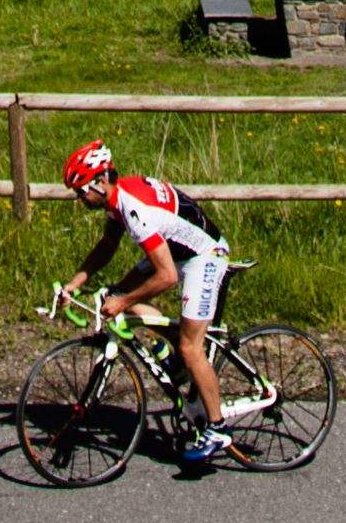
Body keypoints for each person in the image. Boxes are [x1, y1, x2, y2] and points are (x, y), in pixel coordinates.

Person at [58, 139, 235, 462]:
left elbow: (166, 276)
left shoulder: (134, 210)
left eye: (80, 191)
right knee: (118, 294)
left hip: (204, 256)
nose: (78, 198)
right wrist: (75, 283)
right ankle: (176, 354)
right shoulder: (117, 198)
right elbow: (107, 245)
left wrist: (123, 303)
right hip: (177, 250)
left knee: (190, 347)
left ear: (101, 181)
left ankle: (217, 428)